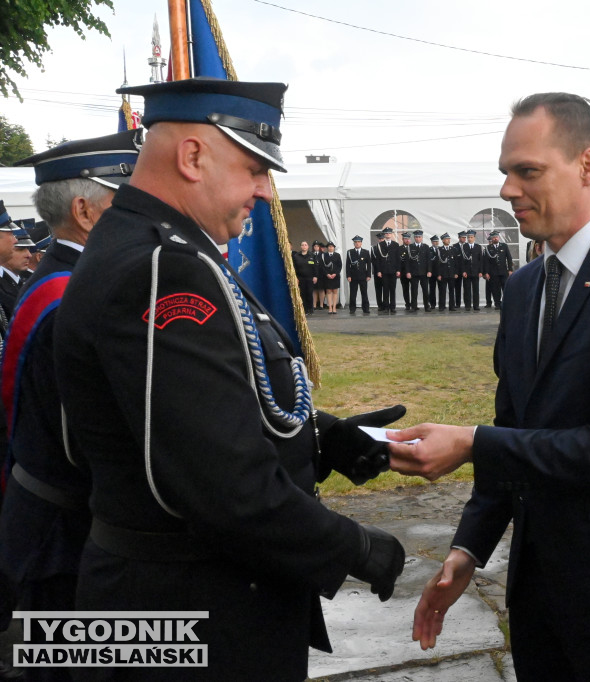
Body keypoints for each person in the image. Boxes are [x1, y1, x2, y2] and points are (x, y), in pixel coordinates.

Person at [51, 78, 406, 681]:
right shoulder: (164, 269)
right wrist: (358, 549)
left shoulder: (159, 248)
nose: (266, 192)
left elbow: (203, 408)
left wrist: (324, 440)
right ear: (193, 156)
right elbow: (226, 485)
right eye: (255, 169)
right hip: (194, 610)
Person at [388, 92, 590, 681]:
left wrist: (472, 442)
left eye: (527, 171)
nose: (507, 190)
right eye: (506, 172)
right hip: (538, 590)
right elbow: (515, 430)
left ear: (588, 166)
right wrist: (468, 550)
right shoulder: (525, 285)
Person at [0, 131, 139, 682]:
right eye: (124, 201)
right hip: (64, 541)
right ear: (84, 211)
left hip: (52, 527)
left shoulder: (63, 280)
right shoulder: (72, 298)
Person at [482, 230, 514, 311]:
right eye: (494, 237)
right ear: (491, 239)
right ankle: (497, 304)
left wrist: (510, 269)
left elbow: (509, 258)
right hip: (493, 272)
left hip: (503, 271)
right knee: (496, 289)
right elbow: (486, 262)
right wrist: (486, 272)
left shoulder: (504, 246)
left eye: (496, 237)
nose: (495, 239)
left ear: (498, 237)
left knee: (505, 288)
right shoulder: (488, 248)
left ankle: (506, 303)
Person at [373, 227, 401, 313]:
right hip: (384, 270)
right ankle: (386, 306)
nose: (388, 234)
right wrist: (378, 271)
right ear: (384, 235)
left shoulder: (396, 244)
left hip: (393, 270)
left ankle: (392, 306)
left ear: (392, 234)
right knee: (385, 289)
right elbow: (377, 259)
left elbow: (398, 259)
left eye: (389, 233)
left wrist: (398, 270)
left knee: (392, 289)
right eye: (386, 233)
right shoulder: (380, 245)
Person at [346, 235, 371, 314]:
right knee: (353, 293)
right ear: (353, 243)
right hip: (353, 276)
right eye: (355, 242)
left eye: (358, 242)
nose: (357, 243)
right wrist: (348, 275)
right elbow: (347, 265)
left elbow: (369, 265)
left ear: (361, 243)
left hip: (363, 276)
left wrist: (368, 275)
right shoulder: (350, 252)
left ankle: (366, 308)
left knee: (364, 293)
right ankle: (352, 308)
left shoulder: (366, 252)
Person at [460, 229, 483, 310]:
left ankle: (476, 305)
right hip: (467, 272)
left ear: (474, 238)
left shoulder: (478, 247)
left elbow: (480, 260)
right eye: (468, 237)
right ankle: (468, 305)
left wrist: (480, 271)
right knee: (467, 289)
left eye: (471, 237)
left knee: (476, 289)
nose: (469, 238)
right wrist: (463, 271)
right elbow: (462, 261)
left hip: (476, 272)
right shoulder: (464, 247)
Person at [291, 240, 316, 313]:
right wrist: (295, 277)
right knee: (302, 293)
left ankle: (310, 308)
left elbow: (315, 267)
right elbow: (294, 268)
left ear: (308, 246)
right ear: (300, 247)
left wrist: (315, 276)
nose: (304, 246)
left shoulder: (312, 255)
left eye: (305, 245)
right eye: (302, 245)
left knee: (309, 292)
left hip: (310, 277)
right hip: (300, 278)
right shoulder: (296, 256)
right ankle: (304, 309)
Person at [435, 233, 457, 311]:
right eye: (447, 239)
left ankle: (452, 306)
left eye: (449, 239)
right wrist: (439, 274)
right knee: (442, 291)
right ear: (443, 240)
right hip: (443, 274)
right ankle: (442, 306)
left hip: (451, 273)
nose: (448, 240)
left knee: (452, 290)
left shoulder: (453, 249)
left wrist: (456, 273)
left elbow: (455, 262)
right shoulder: (439, 250)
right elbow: (437, 264)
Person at [321, 241, 342, 314]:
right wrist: (327, 274)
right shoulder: (324, 255)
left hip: (335, 276)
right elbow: (322, 266)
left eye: (332, 246)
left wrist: (335, 273)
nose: (330, 248)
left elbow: (340, 266)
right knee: (329, 291)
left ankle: (334, 307)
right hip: (327, 276)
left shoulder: (337, 255)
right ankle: (330, 307)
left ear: (334, 248)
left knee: (335, 291)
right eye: (329, 247)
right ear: (327, 248)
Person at [426, 234, 440, 311]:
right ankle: (432, 304)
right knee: (432, 289)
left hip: (440, 273)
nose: (436, 243)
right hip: (432, 273)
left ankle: (441, 304)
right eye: (434, 241)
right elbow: (429, 261)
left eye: (437, 241)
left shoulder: (441, 249)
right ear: (431, 242)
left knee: (441, 289)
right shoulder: (429, 250)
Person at [311, 240, 326, 310]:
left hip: (321, 275)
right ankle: (314, 304)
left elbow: (325, 265)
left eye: (317, 246)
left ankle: (321, 304)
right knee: (314, 290)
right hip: (313, 274)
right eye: (315, 246)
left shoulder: (323, 254)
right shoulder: (311, 254)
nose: (316, 247)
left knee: (321, 290)